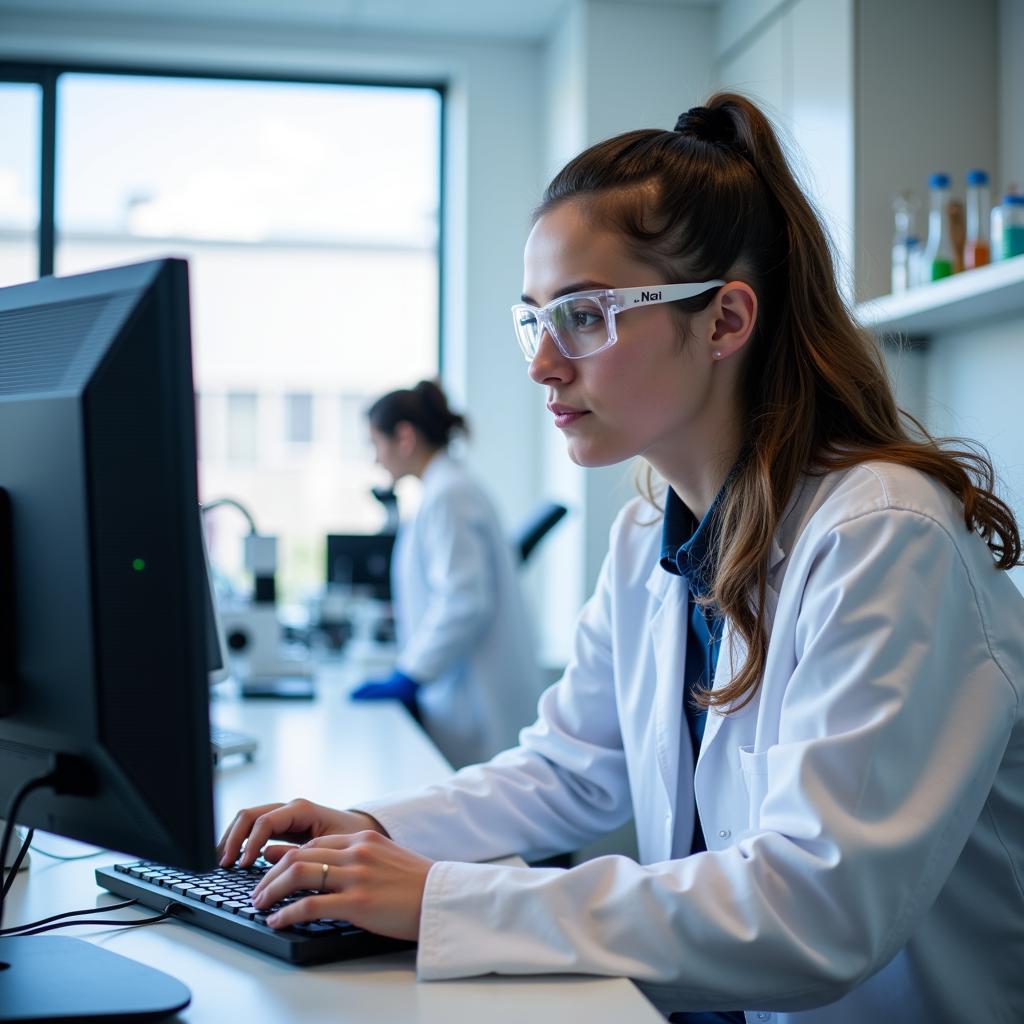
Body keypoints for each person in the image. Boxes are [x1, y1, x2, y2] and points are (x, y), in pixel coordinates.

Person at [218, 95, 1024, 1022]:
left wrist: (440, 897)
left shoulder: (882, 536)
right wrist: (379, 831)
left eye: (587, 315)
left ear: (725, 321)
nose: (543, 364)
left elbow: (817, 911)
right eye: (536, 320)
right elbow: (572, 768)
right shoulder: (653, 535)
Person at [349, 380, 543, 769]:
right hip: (464, 700)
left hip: (477, 707)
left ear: (404, 437)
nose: (375, 459)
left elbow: (464, 601)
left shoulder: (448, 495)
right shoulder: (446, 490)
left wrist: (410, 674)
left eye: (376, 445)